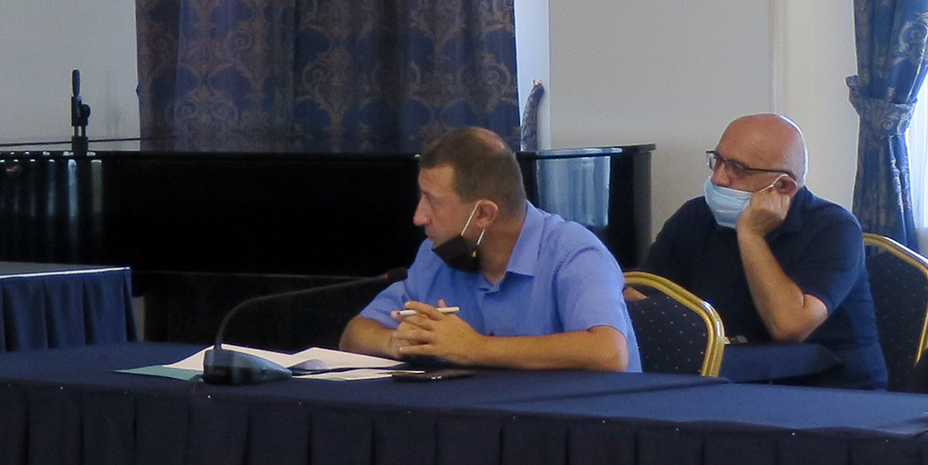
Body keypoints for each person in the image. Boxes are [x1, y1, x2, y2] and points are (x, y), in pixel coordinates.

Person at [341, 126, 638, 372]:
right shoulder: (435, 254)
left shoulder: (574, 253)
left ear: (483, 214)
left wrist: (475, 347)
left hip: (582, 422)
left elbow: (608, 353)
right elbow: (354, 334)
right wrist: (396, 341)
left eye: (433, 201)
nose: (419, 217)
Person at [637, 113, 884, 388]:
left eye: (737, 169)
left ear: (783, 186)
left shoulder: (834, 228)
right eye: (717, 161)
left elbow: (789, 327)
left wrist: (751, 235)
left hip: (828, 390)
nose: (718, 178)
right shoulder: (695, 215)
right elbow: (640, 297)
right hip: (727, 377)